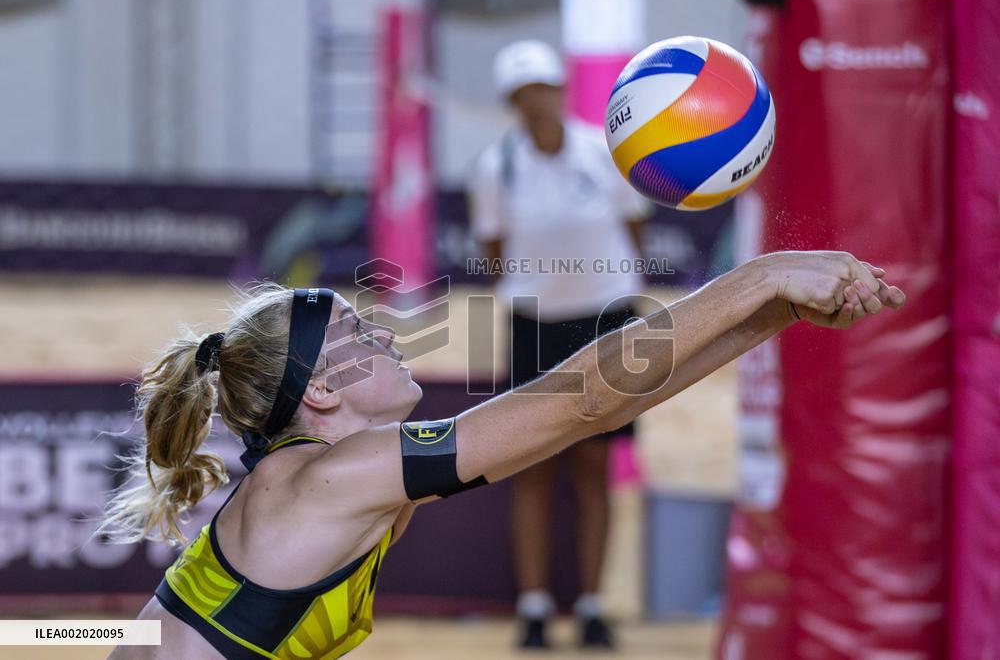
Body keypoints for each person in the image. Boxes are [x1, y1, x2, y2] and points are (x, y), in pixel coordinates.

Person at [105, 251, 905, 659]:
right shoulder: (329, 477)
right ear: (319, 392)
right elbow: (582, 399)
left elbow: (596, 409)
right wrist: (758, 276)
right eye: (359, 333)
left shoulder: (328, 477)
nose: (387, 333)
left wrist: (775, 311)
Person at [466, 40, 650, 648]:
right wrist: (534, 291)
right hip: (536, 325)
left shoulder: (603, 154)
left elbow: (634, 225)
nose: (536, 100)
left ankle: (594, 605)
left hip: (606, 318)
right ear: (512, 102)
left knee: (598, 464)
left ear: (559, 89)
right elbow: (492, 248)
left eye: (543, 87)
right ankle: (536, 607)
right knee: (534, 464)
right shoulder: (497, 167)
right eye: (524, 93)